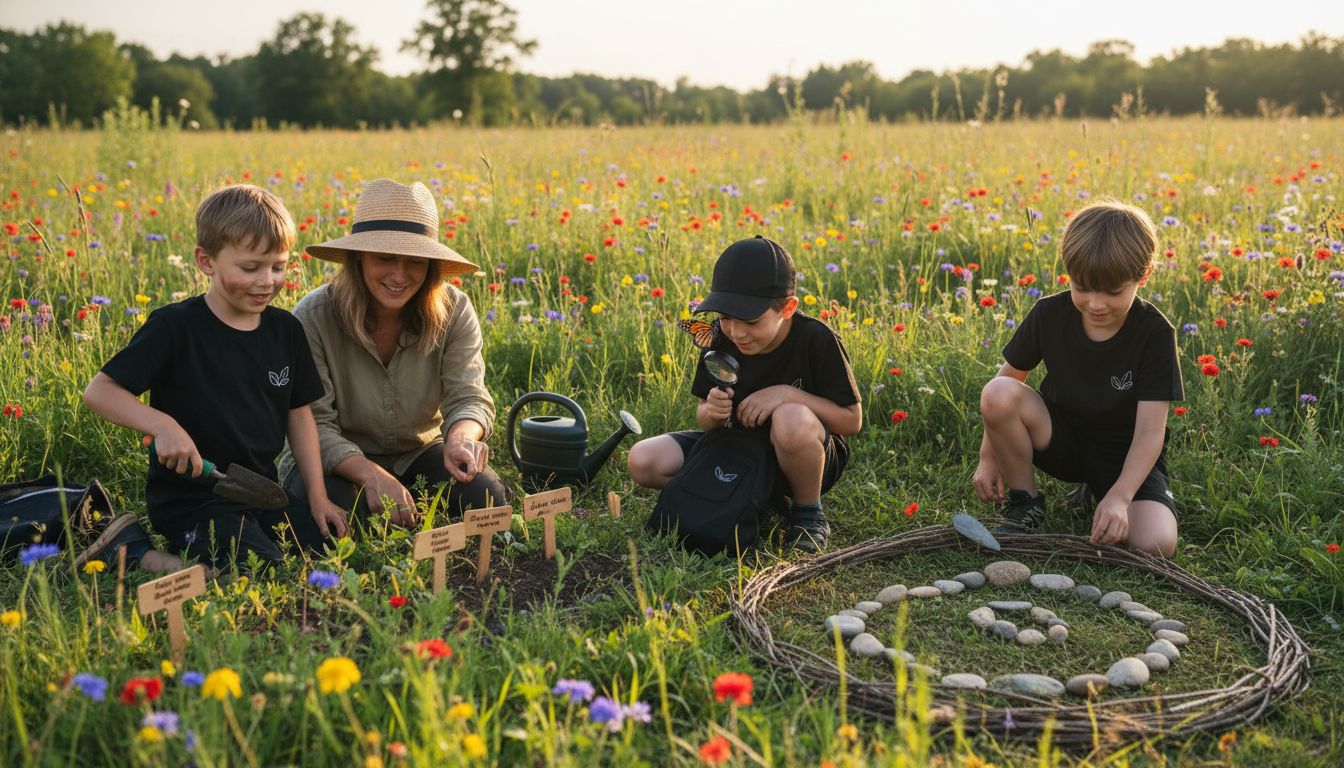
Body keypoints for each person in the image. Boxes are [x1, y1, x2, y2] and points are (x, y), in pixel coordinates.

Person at [83, 185, 348, 573]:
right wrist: (163, 425)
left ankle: (230, 553)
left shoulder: (285, 331)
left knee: (327, 546)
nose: (267, 281)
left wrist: (317, 496)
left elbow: (299, 414)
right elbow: (100, 391)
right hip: (192, 501)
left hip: (257, 492)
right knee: (261, 570)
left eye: (278, 267)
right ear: (206, 261)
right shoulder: (175, 327)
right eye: (250, 268)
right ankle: (136, 555)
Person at [277, 179, 506, 528]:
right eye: (385, 258)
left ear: (431, 265)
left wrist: (461, 439)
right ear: (358, 257)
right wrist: (370, 474)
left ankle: (404, 505)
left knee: (484, 495)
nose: (400, 275)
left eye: (416, 261)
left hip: (419, 452)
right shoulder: (314, 317)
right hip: (337, 459)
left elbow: (469, 397)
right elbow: (314, 424)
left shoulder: (454, 310)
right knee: (338, 515)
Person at [972, 199, 1182, 557]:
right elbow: (1003, 387)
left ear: (1144, 276)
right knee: (998, 391)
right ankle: (1026, 500)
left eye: (1113, 291)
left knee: (1155, 543)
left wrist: (1120, 496)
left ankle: (1101, 493)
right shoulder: (1049, 314)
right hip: (1060, 440)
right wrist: (988, 457)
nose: (1095, 303)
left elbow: (1150, 432)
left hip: (1123, 455)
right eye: (1082, 287)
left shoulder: (1156, 333)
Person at [627, 235, 862, 552]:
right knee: (643, 459)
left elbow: (851, 421)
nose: (737, 332)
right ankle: (745, 495)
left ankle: (807, 514)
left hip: (800, 456)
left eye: (750, 321)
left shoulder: (815, 338)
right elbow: (704, 418)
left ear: (787, 308)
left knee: (790, 418)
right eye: (726, 317)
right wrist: (711, 412)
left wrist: (785, 395)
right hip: (736, 447)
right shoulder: (720, 339)